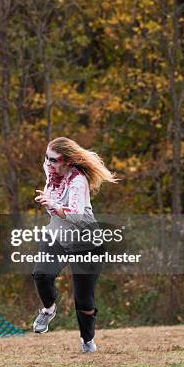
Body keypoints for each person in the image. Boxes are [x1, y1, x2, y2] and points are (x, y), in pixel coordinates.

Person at [32, 137, 119, 353]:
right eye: (46, 158)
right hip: (58, 234)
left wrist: (52, 203)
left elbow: (77, 217)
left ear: (68, 162)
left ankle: (87, 340)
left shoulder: (78, 181)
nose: (48, 163)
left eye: (53, 160)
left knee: (84, 301)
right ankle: (48, 310)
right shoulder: (50, 168)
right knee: (41, 274)